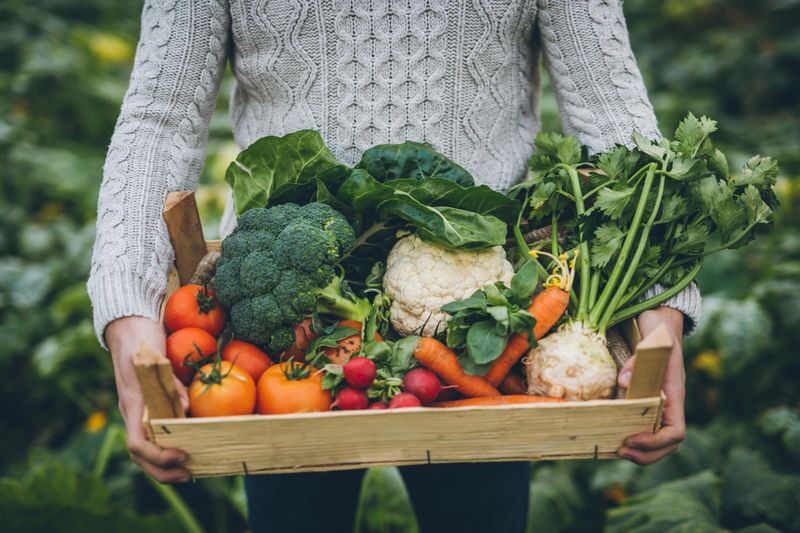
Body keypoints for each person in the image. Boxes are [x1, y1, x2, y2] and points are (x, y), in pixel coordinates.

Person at [89, 1, 700, 532]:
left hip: (484, 327)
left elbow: (610, 105)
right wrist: (128, 308)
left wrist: (660, 306)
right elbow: (159, 118)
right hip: (285, 327)